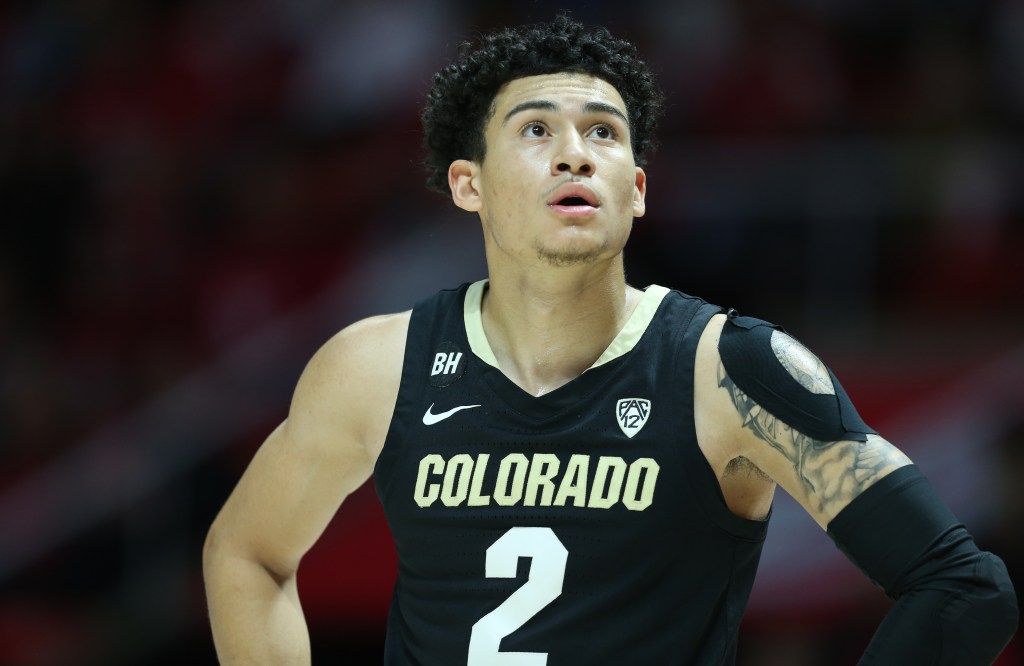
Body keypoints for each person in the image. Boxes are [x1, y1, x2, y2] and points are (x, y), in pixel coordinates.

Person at [202, 15, 1018, 665]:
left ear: (636, 189)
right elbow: (247, 554)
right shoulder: (376, 366)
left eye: (603, 132)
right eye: (534, 131)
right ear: (468, 185)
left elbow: (962, 587)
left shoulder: (729, 369)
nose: (573, 153)